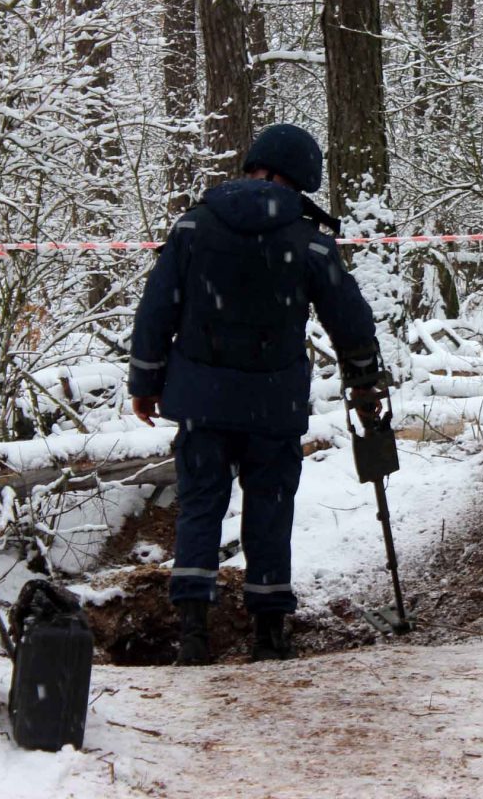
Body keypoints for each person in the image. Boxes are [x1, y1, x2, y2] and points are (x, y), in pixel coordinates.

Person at [127, 124, 383, 663]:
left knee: (200, 508)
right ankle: (269, 634)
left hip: (201, 400)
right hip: (274, 403)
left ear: (253, 165)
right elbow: (350, 319)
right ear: (301, 178)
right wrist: (363, 379)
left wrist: (144, 381)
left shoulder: (194, 226)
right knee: (270, 510)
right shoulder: (309, 240)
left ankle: (193, 634)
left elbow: (156, 309)